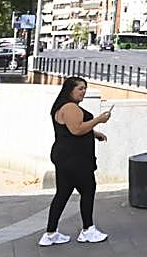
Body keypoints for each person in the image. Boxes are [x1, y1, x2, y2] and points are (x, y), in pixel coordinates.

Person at [40, 76, 112, 246]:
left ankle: (50, 233)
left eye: (85, 88)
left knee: (63, 194)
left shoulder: (62, 106)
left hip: (65, 157)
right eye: (80, 88)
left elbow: (69, 129)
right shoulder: (70, 107)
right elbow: (76, 129)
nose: (83, 92)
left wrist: (94, 134)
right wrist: (98, 120)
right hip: (75, 158)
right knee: (88, 190)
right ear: (70, 90)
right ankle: (88, 230)